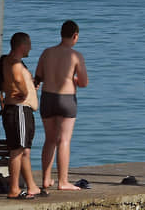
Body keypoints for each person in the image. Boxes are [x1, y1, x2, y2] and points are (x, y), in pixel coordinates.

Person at [35, 20, 88, 191]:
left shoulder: (46, 52)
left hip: (48, 98)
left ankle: (46, 179)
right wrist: (73, 79)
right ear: (75, 36)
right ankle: (63, 181)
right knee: (64, 140)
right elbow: (84, 82)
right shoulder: (76, 55)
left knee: (50, 140)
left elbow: (39, 76)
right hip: (66, 99)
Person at [0, 33, 41, 199]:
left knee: (24, 150)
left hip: (17, 110)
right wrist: (24, 91)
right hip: (19, 110)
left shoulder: (6, 61)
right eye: (29, 44)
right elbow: (16, 77)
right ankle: (14, 189)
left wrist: (30, 84)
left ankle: (31, 186)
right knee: (17, 150)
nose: (30, 48)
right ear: (22, 46)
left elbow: (5, 82)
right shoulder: (15, 63)